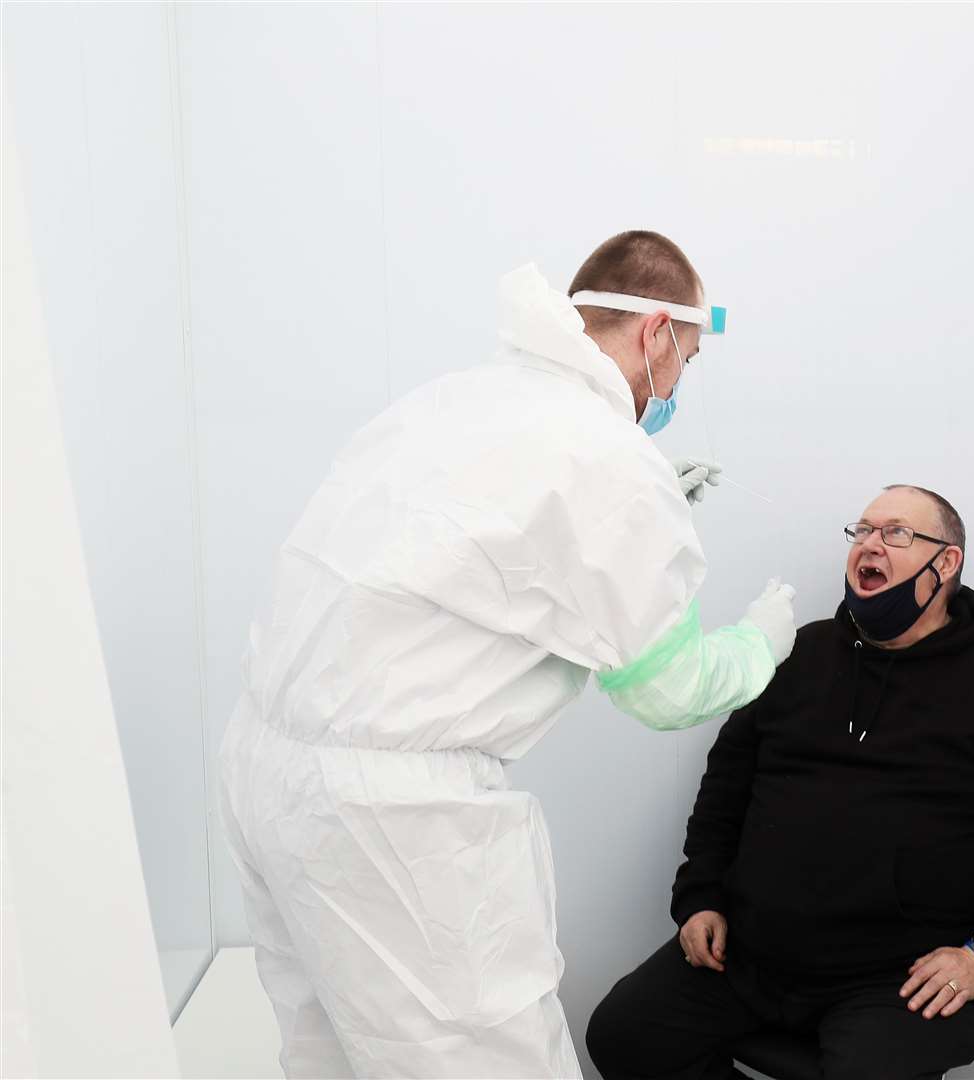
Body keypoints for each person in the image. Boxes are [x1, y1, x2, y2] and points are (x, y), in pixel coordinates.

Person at [219, 231, 797, 1079]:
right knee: (490, 1060)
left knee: (331, 1053)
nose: (676, 385)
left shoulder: (453, 399)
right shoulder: (607, 458)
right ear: (655, 335)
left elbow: (461, 558)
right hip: (392, 819)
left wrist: (632, 522)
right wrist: (760, 643)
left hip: (266, 773)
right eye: (687, 359)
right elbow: (666, 691)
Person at [587, 485, 974, 1080]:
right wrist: (700, 895)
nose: (870, 545)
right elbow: (725, 787)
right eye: (862, 531)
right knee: (625, 1034)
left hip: (899, 979)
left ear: (947, 562)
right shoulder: (797, 654)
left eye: (896, 533)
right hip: (756, 957)